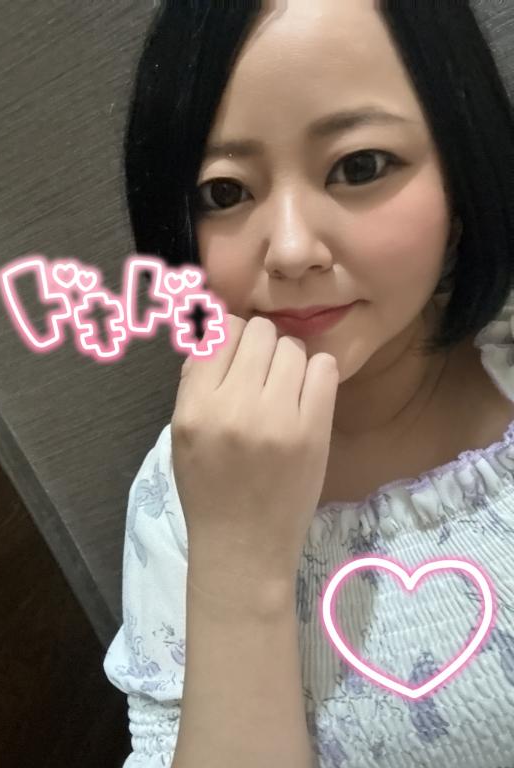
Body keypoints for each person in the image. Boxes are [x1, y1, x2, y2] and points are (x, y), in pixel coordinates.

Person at [103, 1, 514, 766]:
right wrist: (239, 567)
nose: (291, 250)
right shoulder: (182, 487)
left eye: (359, 167)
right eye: (225, 192)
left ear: (461, 170)